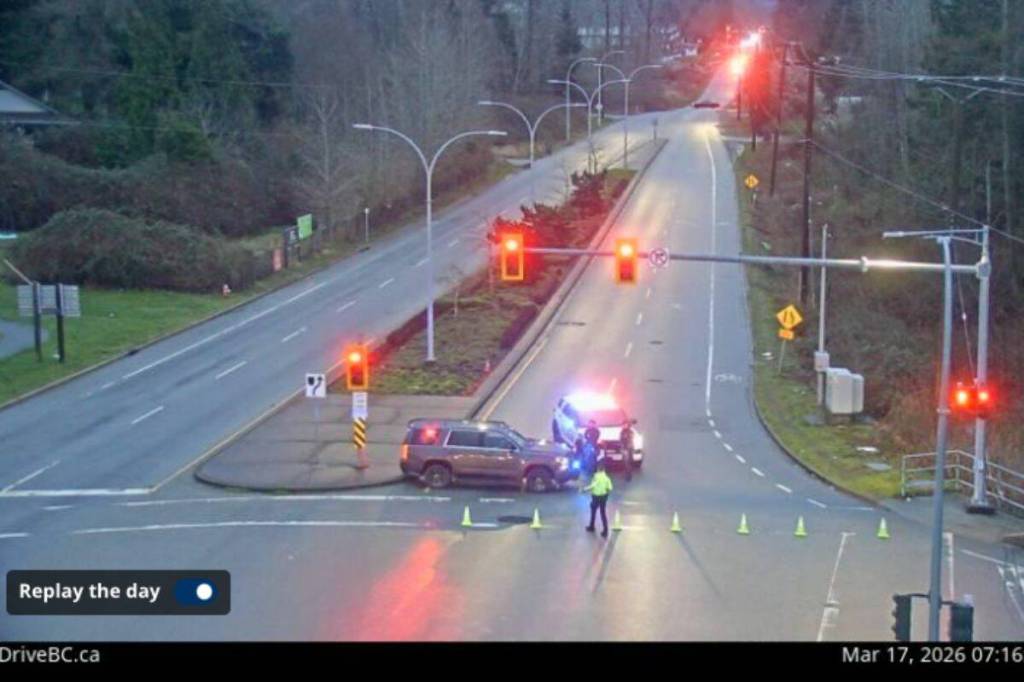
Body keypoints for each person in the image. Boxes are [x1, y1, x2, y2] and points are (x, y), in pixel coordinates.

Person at [583, 461, 614, 538]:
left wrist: (584, 489)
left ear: (598, 469)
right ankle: (605, 530)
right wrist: (606, 493)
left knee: (593, 511)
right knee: (603, 513)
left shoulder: (596, 477)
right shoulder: (607, 478)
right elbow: (610, 488)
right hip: (603, 497)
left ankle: (592, 526)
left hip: (596, 497)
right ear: (604, 470)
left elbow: (593, 485)